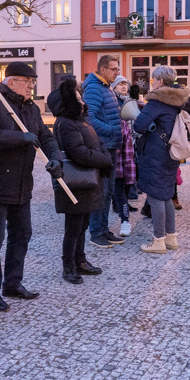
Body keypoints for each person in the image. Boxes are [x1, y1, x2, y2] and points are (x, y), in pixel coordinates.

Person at [0, 61, 63, 312]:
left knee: (22, 235)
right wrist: (18, 138)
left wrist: (55, 157)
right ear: (11, 82)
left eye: (33, 82)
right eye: (27, 81)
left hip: (22, 185)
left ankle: (12, 283)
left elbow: (44, 136)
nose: (32, 86)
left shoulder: (30, 108)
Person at [48, 76, 112, 284]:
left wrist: (104, 154)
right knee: (73, 227)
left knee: (82, 224)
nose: (82, 101)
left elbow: (96, 143)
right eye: (78, 98)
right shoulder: (66, 124)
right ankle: (69, 266)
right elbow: (79, 153)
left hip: (86, 181)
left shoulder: (79, 120)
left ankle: (80, 260)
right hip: (75, 182)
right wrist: (105, 160)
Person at [133, 66, 190, 253]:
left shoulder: (157, 102)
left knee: (155, 197)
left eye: (153, 79)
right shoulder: (177, 100)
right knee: (166, 195)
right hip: (170, 153)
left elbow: (139, 126)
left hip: (155, 154)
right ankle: (171, 238)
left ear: (160, 81)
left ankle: (158, 241)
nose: (152, 83)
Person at [83, 55, 125, 248]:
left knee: (108, 191)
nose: (117, 72)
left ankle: (104, 228)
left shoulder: (106, 86)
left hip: (111, 145)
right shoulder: (93, 88)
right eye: (114, 69)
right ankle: (95, 232)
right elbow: (89, 118)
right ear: (102, 69)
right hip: (102, 146)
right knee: (100, 190)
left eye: (117, 69)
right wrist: (112, 129)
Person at [110, 76, 136, 236]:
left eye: (125, 83)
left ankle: (121, 205)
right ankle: (124, 217)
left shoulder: (131, 101)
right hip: (119, 146)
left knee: (127, 183)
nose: (123, 86)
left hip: (131, 146)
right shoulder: (113, 104)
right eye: (120, 84)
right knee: (119, 187)